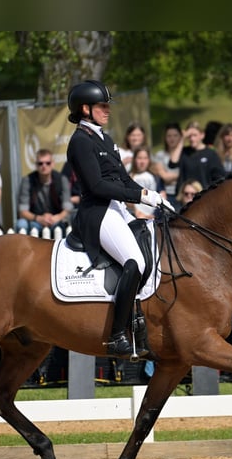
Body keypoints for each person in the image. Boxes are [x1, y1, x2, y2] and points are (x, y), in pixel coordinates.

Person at [65, 79, 164, 358]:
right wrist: (140, 196)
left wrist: (150, 194)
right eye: (102, 106)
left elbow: (122, 178)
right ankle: (118, 335)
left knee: (149, 253)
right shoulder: (80, 142)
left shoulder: (105, 139)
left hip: (117, 209)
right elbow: (97, 186)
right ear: (85, 109)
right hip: (98, 212)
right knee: (135, 261)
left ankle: (139, 322)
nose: (108, 110)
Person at [16, 149, 72, 235]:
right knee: (21, 224)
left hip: (55, 220)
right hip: (35, 220)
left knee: (67, 223)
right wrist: (39, 218)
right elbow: (22, 212)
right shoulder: (27, 180)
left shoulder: (62, 179)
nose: (44, 166)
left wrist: (56, 218)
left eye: (48, 163)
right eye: (40, 163)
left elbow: (68, 209)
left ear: (53, 164)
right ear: (36, 165)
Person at [176, 121, 225, 192]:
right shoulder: (183, 153)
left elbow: (219, 177)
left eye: (195, 135)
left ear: (202, 135)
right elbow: (173, 164)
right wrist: (182, 139)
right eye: (189, 136)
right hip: (186, 196)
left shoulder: (210, 154)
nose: (192, 139)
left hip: (205, 197)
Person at [150, 122, 183, 204]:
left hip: (185, 194)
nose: (172, 139)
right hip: (168, 195)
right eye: (169, 136)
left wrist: (171, 175)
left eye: (175, 135)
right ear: (165, 138)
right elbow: (165, 177)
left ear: (180, 137)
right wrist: (183, 174)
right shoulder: (160, 155)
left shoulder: (186, 155)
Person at [129, 146, 162, 219]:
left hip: (152, 217)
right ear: (134, 160)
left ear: (149, 160)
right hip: (133, 216)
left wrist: (154, 215)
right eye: (139, 158)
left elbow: (160, 198)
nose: (142, 162)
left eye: (145, 158)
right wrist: (136, 211)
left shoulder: (156, 177)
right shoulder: (128, 177)